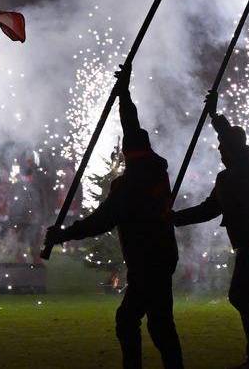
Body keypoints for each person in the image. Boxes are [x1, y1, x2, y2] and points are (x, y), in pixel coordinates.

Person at [44, 67, 185, 369]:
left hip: (147, 262)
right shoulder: (157, 171)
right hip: (162, 256)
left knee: (130, 322)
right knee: (160, 324)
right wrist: (124, 93)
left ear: (126, 154)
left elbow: (101, 221)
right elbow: (133, 126)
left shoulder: (128, 185)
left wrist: (64, 234)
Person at [173, 96, 249, 368]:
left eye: (224, 148)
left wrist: (216, 118)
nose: (220, 152)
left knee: (239, 297)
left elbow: (235, 140)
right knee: (244, 299)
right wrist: (174, 218)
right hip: (247, 243)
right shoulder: (226, 178)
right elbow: (208, 209)